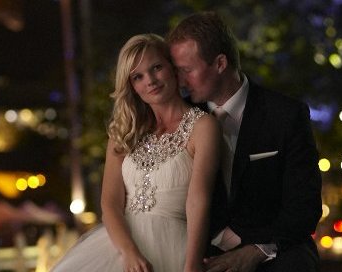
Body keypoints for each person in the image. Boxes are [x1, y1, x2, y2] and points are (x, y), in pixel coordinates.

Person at [51, 33, 222, 272]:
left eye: (157, 67)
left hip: (176, 247)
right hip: (119, 247)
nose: (150, 80)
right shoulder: (124, 131)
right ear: (131, 86)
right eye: (138, 76)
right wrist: (129, 253)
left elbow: (199, 201)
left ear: (172, 68)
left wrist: (191, 265)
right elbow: (109, 203)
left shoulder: (203, 126)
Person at [167, 11, 323, 272]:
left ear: (220, 64)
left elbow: (304, 206)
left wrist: (257, 251)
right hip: (201, 247)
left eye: (187, 70)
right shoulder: (181, 116)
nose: (180, 82)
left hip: (274, 247)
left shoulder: (285, 115)